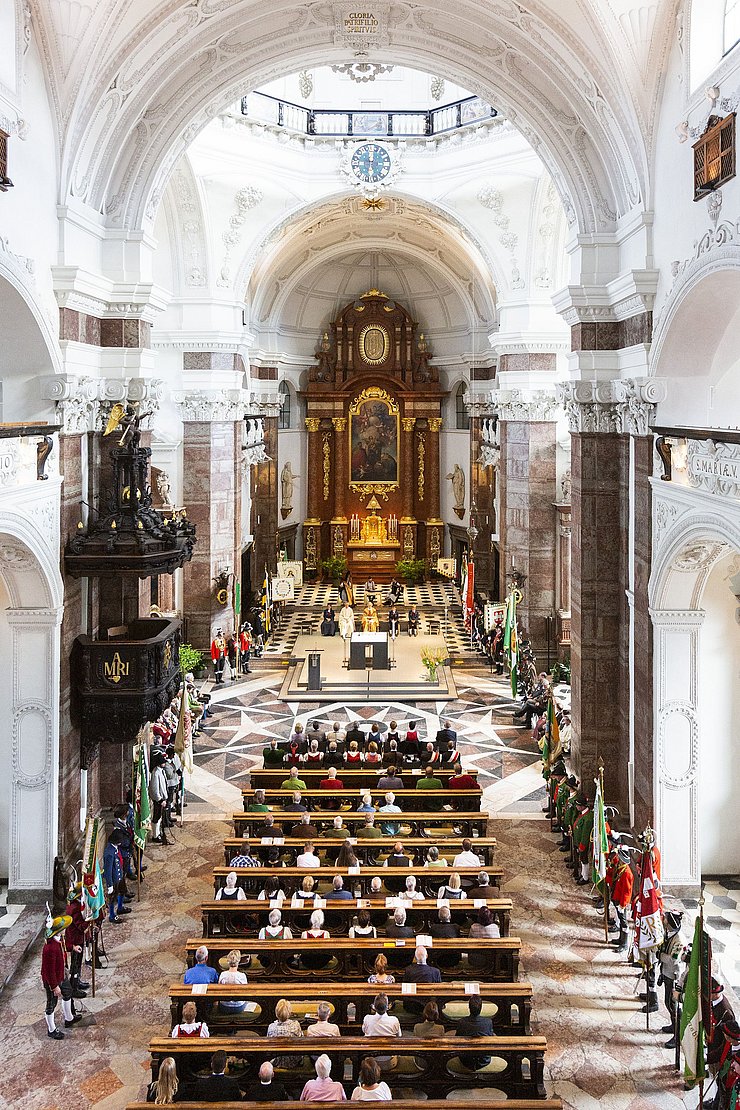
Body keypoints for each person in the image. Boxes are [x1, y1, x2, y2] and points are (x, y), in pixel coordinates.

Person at [41, 913, 78, 1039]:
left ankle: (69, 1018)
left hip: (61, 974)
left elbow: (64, 949)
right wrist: (54, 986)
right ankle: (51, 1029)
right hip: (52, 980)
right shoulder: (49, 948)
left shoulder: (59, 939)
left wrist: (73, 947)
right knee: (51, 1003)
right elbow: (49, 970)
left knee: (68, 992)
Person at [455, 994, 494, 1069]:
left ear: (469, 1008)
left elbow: (457, 1038)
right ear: (481, 1008)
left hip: (465, 1059)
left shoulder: (462, 1022)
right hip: (483, 1060)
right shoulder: (488, 1022)